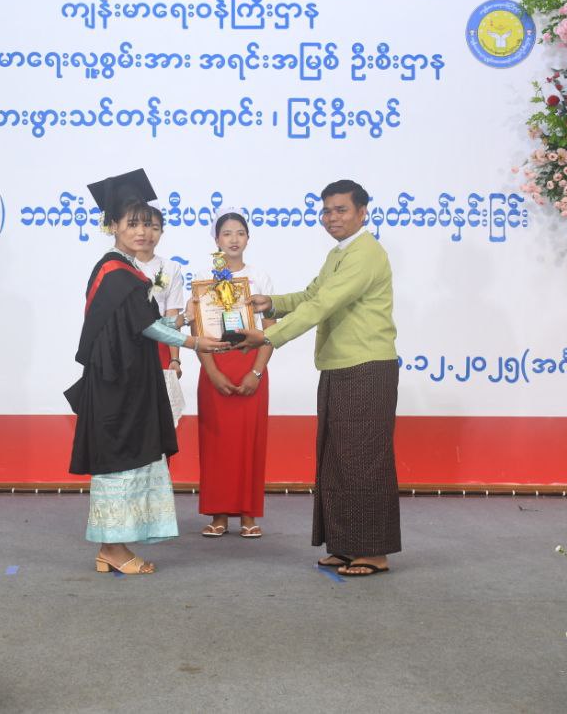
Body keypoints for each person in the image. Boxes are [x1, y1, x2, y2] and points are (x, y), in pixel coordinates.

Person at [66, 170, 230, 575]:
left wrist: (189, 319)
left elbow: (147, 324)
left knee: (130, 461)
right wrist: (194, 342)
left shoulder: (127, 271)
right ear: (113, 226)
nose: (142, 232)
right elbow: (147, 327)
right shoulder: (115, 272)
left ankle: (112, 548)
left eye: (149, 225)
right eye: (132, 223)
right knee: (118, 464)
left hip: (128, 383)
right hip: (116, 386)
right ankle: (112, 547)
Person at [238, 180, 400, 577]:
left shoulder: (367, 253)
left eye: (341, 210)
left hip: (366, 366)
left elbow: (324, 304)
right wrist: (271, 303)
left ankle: (373, 552)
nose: (332, 217)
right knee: (337, 459)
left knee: (363, 460)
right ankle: (345, 546)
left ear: (362, 212)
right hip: (340, 365)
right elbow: (312, 295)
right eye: (326, 210)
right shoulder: (338, 253)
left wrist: (270, 336)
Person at [191, 209, 274, 538]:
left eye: (240, 232)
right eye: (227, 233)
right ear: (217, 240)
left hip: (251, 365)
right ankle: (219, 514)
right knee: (217, 444)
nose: (234, 239)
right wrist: (211, 372)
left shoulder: (259, 277)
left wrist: (257, 371)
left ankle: (249, 514)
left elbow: (271, 331)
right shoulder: (203, 277)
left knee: (250, 442)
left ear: (248, 238)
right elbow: (198, 332)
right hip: (215, 364)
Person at [132, 212, 187, 425]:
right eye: (143, 226)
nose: (148, 233)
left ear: (162, 232)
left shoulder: (170, 268)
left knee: (160, 421)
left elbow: (172, 315)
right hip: (128, 349)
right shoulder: (121, 265)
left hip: (159, 349)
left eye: (155, 228)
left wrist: (175, 359)